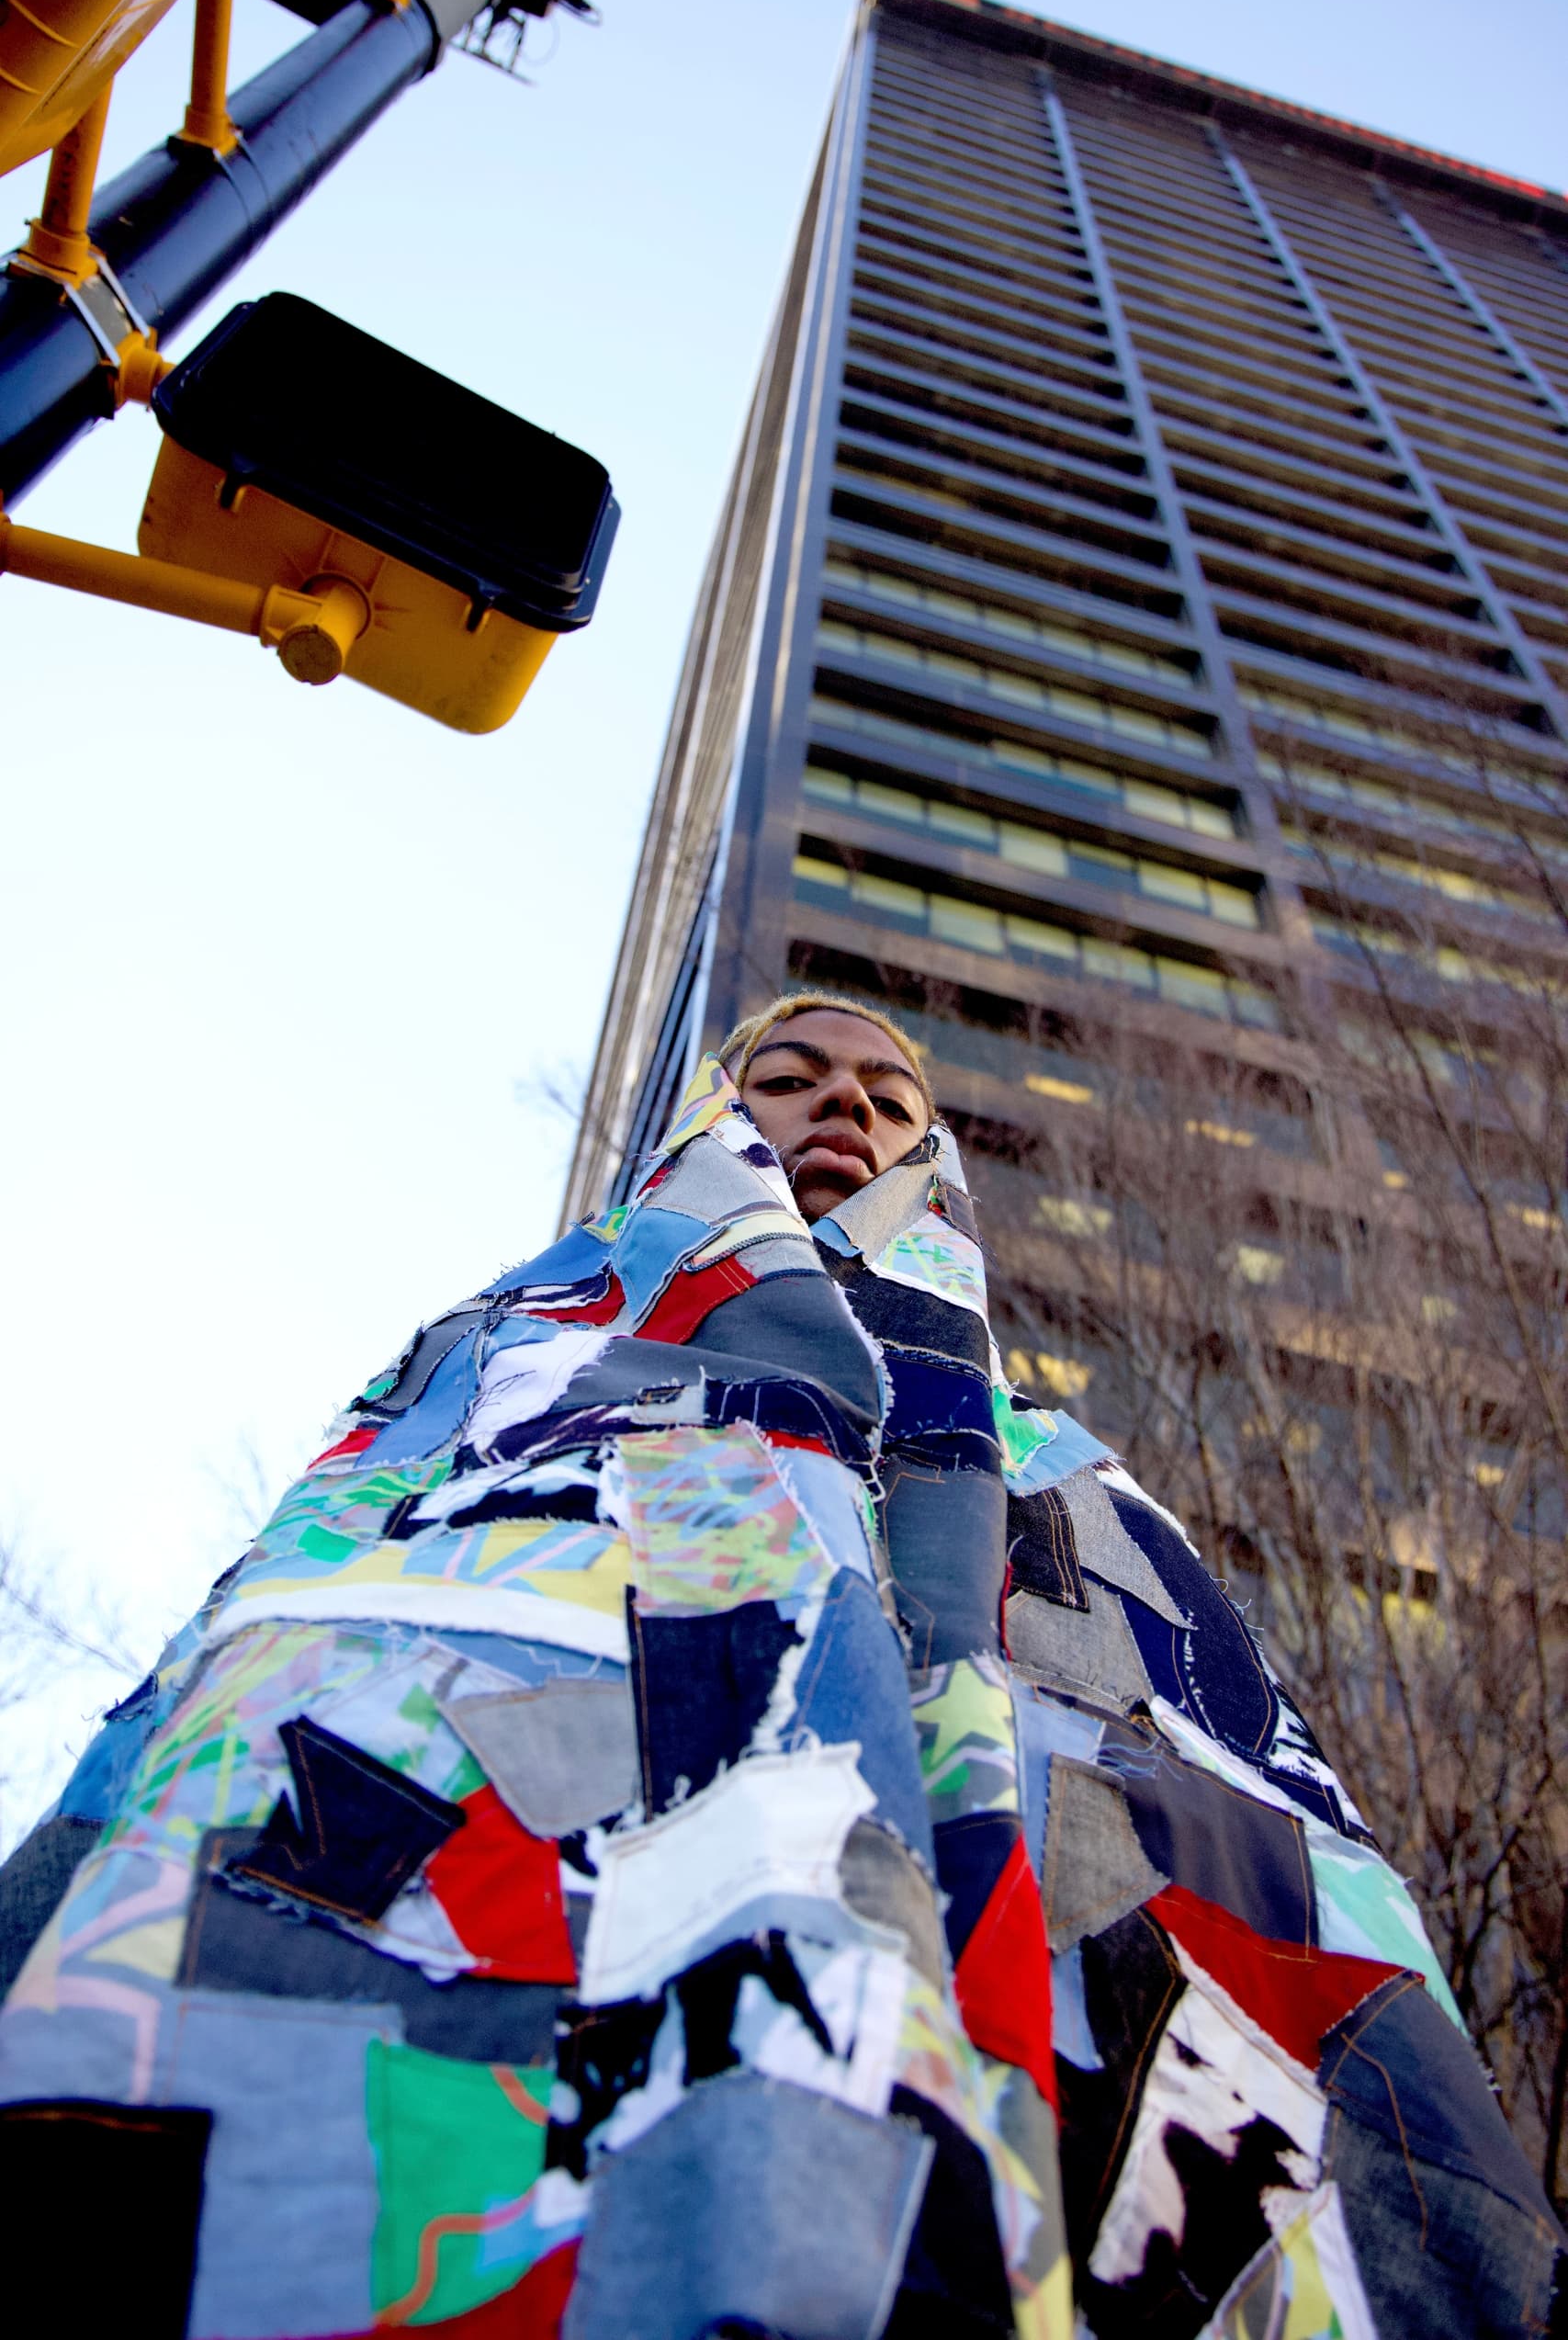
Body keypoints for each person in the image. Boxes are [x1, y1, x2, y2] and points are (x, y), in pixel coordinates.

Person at [0, 990, 1561, 2339]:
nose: (846, 1107)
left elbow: (1225, 1787)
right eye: (793, 1077)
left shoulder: (1056, 1463)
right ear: (717, 1116)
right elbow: (300, 1618)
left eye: (889, 1095)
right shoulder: (519, 1344)